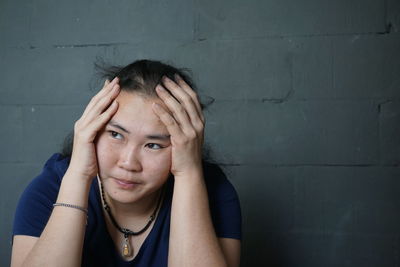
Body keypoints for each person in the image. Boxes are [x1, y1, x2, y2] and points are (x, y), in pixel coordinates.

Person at [11, 59, 242, 267]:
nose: (129, 163)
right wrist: (79, 176)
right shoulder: (51, 188)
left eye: (153, 145)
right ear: (93, 130)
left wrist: (189, 173)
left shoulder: (214, 192)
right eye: (115, 135)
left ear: (185, 146)